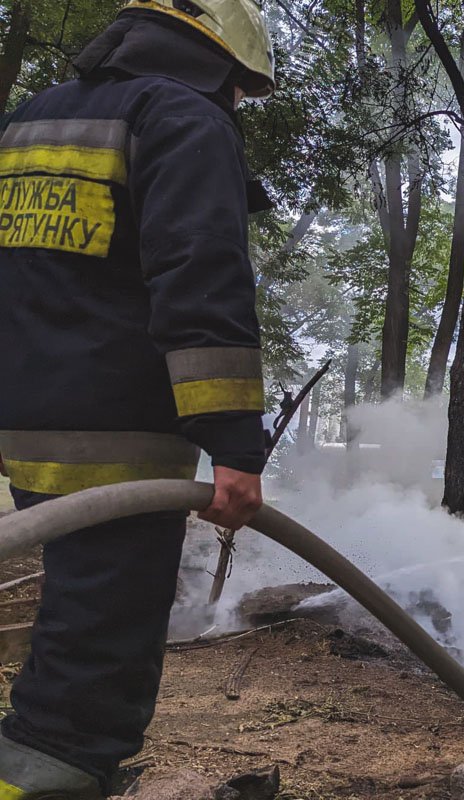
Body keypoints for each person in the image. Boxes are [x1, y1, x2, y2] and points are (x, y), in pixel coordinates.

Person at [0, 2, 275, 796]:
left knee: (76, 593)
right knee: (107, 627)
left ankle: (32, 749)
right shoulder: (183, 117)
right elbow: (201, 276)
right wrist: (233, 444)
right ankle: (48, 769)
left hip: (23, 419)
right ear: (222, 64)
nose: (236, 104)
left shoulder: (30, 117)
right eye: (241, 89)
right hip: (121, 429)